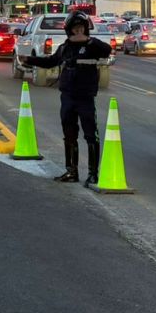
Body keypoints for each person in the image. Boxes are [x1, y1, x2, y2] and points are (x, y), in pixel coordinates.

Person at [22, 11, 112, 185]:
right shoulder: (65, 48)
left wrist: (88, 40)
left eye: (81, 28)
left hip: (85, 96)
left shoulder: (93, 45)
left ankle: (93, 174)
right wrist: (30, 60)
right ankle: (71, 171)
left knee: (90, 135)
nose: (78, 31)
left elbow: (107, 51)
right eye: (75, 28)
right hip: (67, 96)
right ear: (69, 30)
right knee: (69, 135)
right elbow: (51, 61)